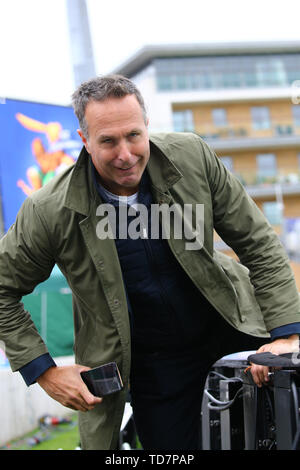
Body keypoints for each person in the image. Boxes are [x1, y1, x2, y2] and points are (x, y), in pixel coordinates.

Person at [0, 74, 300, 450]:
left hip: (232, 325)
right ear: (84, 141)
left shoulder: (192, 156)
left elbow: (258, 243)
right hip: (154, 366)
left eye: (133, 135)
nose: (125, 155)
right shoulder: (48, 211)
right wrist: (43, 371)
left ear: (147, 126)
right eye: (108, 141)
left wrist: (285, 336)